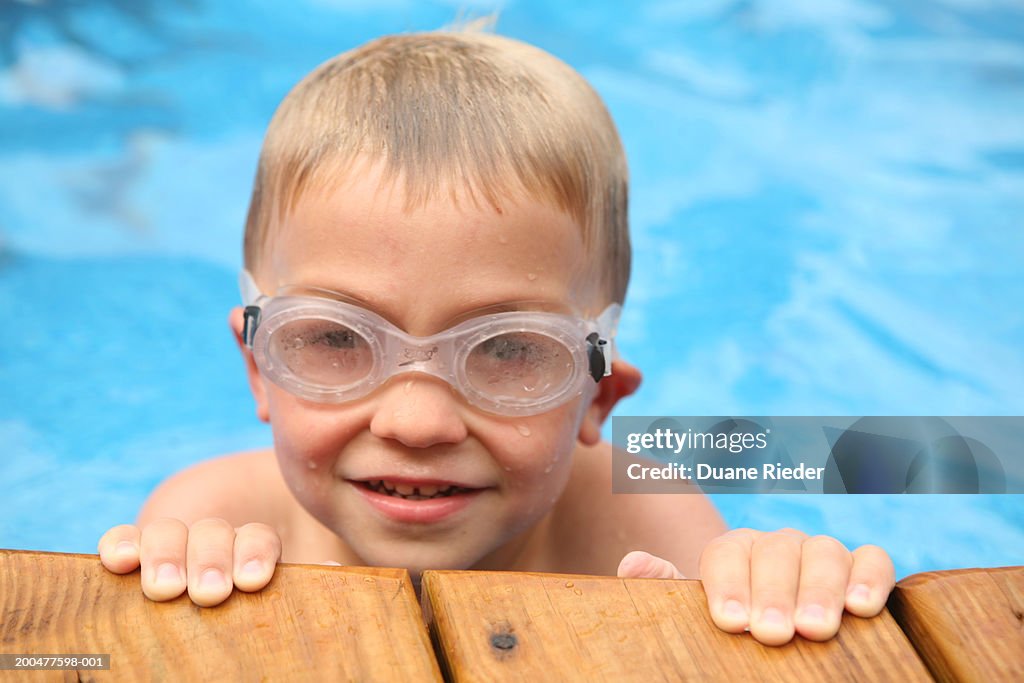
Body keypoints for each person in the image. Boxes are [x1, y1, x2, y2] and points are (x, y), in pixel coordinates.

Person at [97, 30, 894, 646]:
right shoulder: (214, 521)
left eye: (508, 349)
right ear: (259, 369)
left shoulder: (648, 527)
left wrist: (776, 586)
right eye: (338, 338)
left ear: (598, 394)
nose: (415, 423)